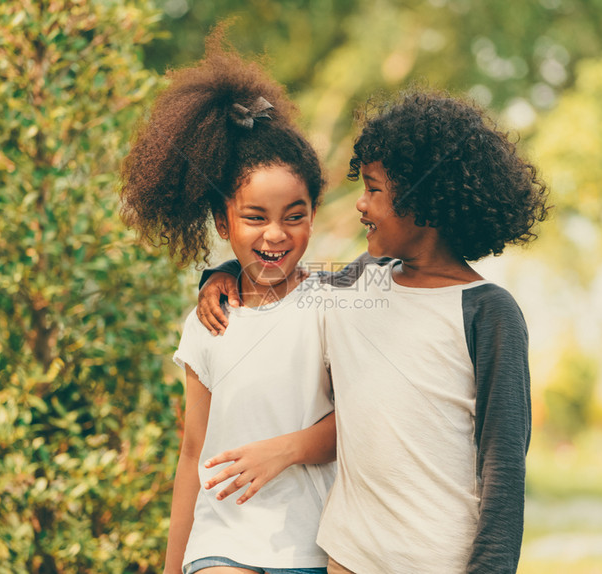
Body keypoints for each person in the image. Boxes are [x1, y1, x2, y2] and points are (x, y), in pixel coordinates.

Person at [196, 89, 550, 574]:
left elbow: (504, 467)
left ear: (425, 199)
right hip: (348, 558)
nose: (360, 204)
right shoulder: (357, 284)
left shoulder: (488, 312)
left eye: (374, 189)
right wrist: (218, 276)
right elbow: (279, 281)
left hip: (440, 561)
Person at [119, 28, 337, 574]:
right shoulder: (206, 321)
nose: (276, 235)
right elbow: (192, 453)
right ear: (222, 221)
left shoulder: (334, 306)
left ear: (314, 212)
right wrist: (173, 567)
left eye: (295, 215)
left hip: (310, 545)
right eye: (254, 218)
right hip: (221, 543)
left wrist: (283, 449)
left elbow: (360, 424)